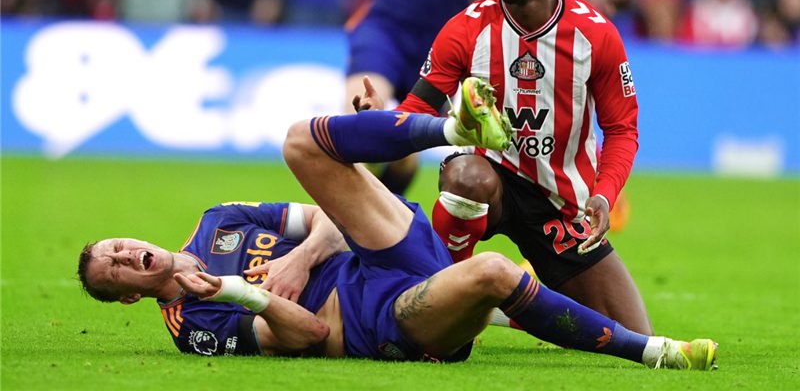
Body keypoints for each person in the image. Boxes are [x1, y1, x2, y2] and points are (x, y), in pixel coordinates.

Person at [78, 77, 717, 370]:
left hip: (381, 248)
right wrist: (242, 293)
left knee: (300, 142)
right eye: (116, 269)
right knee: (493, 274)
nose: (125, 255)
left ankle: (450, 128)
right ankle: (654, 353)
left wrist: (301, 256)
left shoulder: (217, 222)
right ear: (130, 294)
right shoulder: (194, 325)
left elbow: (327, 216)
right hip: (385, 318)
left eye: (118, 246)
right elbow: (305, 336)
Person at [353, 0, 651, 335]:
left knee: (629, 332)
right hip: (489, 179)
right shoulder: (466, 27)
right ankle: (448, 298)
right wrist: (382, 120)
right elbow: (417, 111)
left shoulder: (596, 34)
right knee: (465, 178)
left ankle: (493, 308)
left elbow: (622, 129)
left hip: (558, 204)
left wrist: (605, 193)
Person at [343, 0, 472, 195]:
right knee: (356, 122)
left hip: (443, 41)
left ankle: (382, 207)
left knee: (405, 158)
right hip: (385, 27)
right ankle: (351, 206)